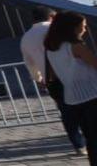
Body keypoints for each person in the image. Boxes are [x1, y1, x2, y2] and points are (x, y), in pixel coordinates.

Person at [43, 11, 97, 166]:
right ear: (72, 27)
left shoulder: (51, 48)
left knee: (92, 142)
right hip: (92, 94)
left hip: (73, 99)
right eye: (82, 25)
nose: (85, 29)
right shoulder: (75, 46)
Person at [23, 9, 88, 155]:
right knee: (86, 107)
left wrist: (38, 78)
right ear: (52, 16)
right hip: (74, 75)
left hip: (52, 79)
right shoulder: (57, 30)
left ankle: (78, 144)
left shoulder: (26, 38)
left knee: (67, 112)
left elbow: (30, 63)